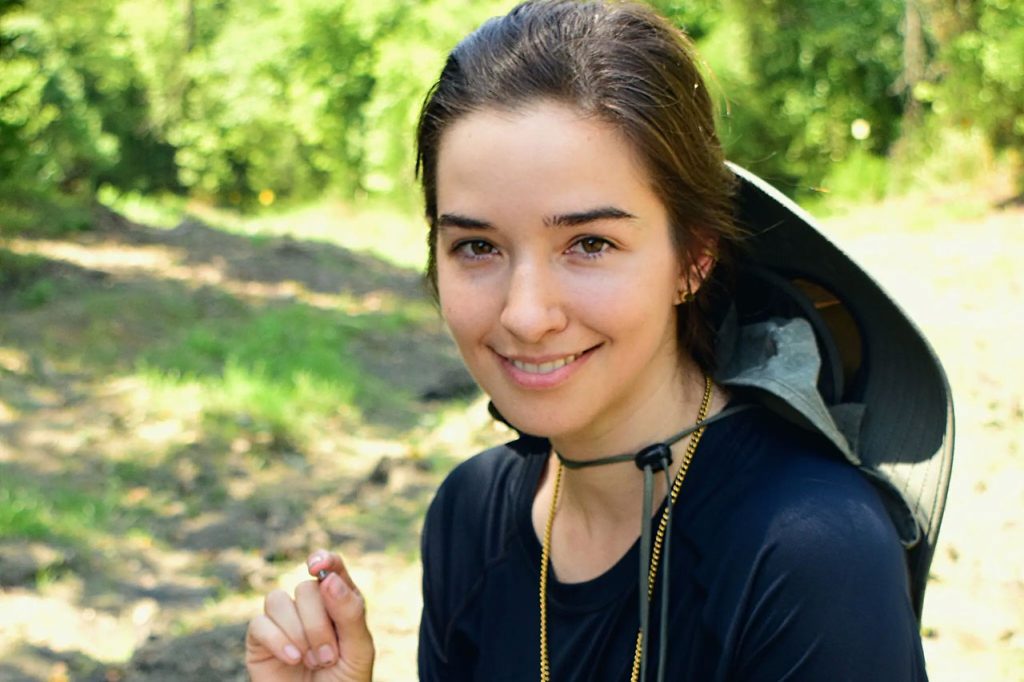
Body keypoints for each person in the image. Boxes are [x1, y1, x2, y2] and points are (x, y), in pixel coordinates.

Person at [245, 1, 954, 680]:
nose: (525, 314)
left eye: (589, 242)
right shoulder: (470, 518)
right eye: (476, 247)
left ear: (692, 258)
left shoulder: (809, 548)